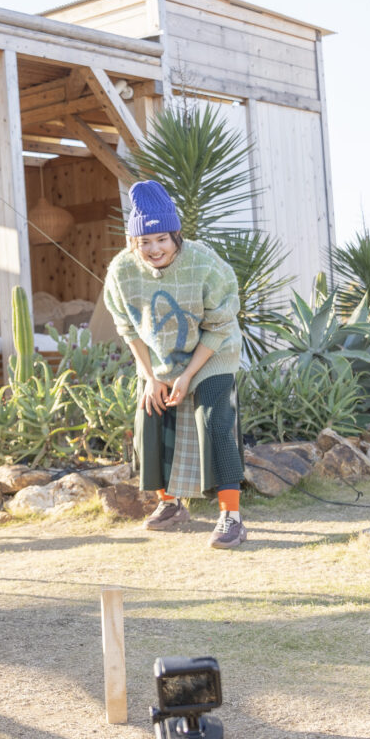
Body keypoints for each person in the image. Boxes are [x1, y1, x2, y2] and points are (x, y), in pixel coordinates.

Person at [103, 181, 246, 549]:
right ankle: (170, 503)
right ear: (133, 243)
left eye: (161, 239)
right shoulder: (121, 271)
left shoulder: (204, 263)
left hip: (213, 352)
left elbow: (220, 324)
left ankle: (231, 515)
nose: (154, 249)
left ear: (175, 236)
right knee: (148, 417)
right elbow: (126, 327)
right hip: (159, 359)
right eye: (144, 242)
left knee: (215, 420)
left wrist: (188, 376)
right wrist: (151, 377)